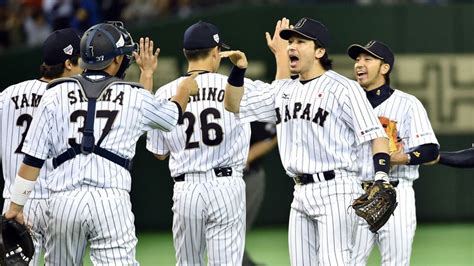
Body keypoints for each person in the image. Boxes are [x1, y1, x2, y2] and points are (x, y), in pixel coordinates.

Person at [4, 21, 198, 264]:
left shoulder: (54, 93)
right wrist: (184, 90)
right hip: (111, 201)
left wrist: (15, 207)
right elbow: (171, 117)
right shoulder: (132, 94)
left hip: (64, 201)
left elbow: (32, 160)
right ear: (115, 60)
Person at [224, 17, 392, 265]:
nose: (292, 46)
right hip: (300, 192)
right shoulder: (283, 90)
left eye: (301, 41)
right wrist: (238, 71)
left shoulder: (344, 89)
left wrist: (381, 177)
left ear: (319, 51)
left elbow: (376, 135)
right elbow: (233, 104)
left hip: (336, 189)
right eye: (290, 41)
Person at [146, 19, 289, 265]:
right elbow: (282, 98)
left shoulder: (165, 93)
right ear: (216, 53)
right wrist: (281, 55)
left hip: (186, 189)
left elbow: (159, 153)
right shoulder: (236, 87)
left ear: (185, 53)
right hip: (225, 187)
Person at [347, 40, 440, 265]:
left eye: (368, 59)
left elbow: (430, 150)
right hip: (354, 193)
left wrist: (400, 157)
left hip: (396, 192)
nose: (359, 64)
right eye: (357, 59)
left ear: (385, 67)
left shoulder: (408, 104)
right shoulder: (346, 103)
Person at [0, 28, 82, 265]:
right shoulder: (73, 98)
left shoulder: (7, 95)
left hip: (16, 199)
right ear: (68, 64)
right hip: (60, 200)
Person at [242, 121, 277, 266]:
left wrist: (245, 157)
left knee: (237, 230)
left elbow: (271, 137)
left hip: (249, 175)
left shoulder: (256, 101)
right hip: (220, 178)